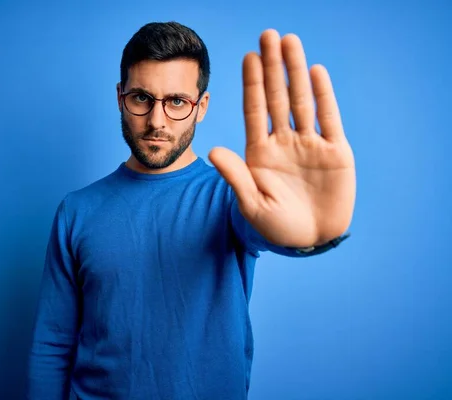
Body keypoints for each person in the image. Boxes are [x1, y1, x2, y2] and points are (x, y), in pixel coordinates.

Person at [26, 21, 356, 400]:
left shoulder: (233, 197)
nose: (157, 120)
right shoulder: (76, 211)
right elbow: (53, 342)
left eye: (177, 102)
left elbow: (266, 227)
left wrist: (313, 236)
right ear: (120, 97)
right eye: (141, 98)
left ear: (201, 107)